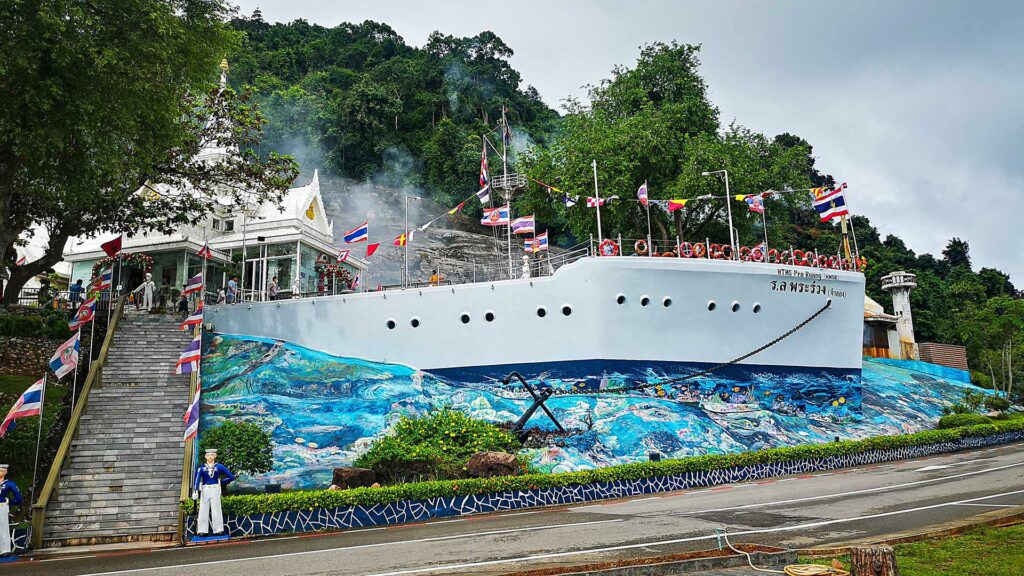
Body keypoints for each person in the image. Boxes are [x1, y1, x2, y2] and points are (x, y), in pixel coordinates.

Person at [192, 449, 235, 537]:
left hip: (215, 489)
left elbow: (231, 476)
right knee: (203, 509)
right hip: (205, 489)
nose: (210, 457)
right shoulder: (201, 468)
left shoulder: (219, 466)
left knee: (217, 509)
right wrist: (195, 490)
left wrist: (222, 482)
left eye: (212, 455)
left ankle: (218, 529)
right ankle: (202, 530)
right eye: (208, 455)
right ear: (205, 456)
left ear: (215, 456)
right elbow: (197, 479)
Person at [0, 464, 23, 556]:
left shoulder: (8, 484)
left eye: (1, 471)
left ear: (5, 472)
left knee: (3, 527)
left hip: (2, 506)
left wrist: (9, 502)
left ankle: (5, 549)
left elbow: (18, 498)